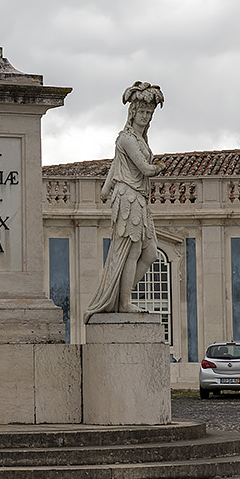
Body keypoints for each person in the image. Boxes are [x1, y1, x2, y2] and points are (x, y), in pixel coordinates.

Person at [85, 82, 170, 320]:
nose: (145, 116)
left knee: (151, 252)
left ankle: (119, 295)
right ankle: (123, 303)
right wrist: (158, 168)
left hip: (138, 199)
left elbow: (114, 165)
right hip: (128, 198)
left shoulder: (140, 139)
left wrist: (104, 189)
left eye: (149, 113)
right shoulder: (126, 139)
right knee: (131, 252)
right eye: (142, 112)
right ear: (132, 112)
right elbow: (144, 168)